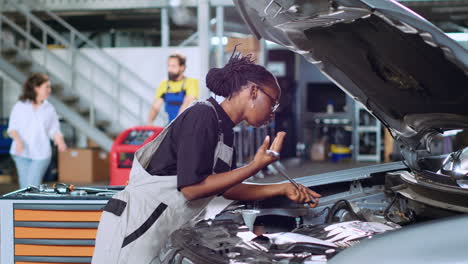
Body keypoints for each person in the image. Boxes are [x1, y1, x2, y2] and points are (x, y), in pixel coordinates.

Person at [92, 52, 321, 264]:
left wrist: (280, 189)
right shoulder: (202, 115)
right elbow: (191, 189)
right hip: (135, 226)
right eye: (273, 102)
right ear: (253, 92)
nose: (273, 111)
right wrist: (255, 166)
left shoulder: (226, 130)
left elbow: (227, 187)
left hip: (160, 227)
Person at [7, 73, 67, 189]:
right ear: (36, 88)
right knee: (24, 187)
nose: (49, 90)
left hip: (41, 154)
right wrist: (18, 141)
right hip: (21, 153)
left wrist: (60, 141)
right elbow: (12, 128)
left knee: (32, 185)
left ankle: (32, 205)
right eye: (47, 87)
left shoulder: (49, 109)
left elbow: (54, 129)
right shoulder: (20, 106)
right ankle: (26, 207)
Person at [147, 53, 199, 125]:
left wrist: (176, 125)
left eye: (173, 66)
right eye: (168, 66)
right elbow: (155, 107)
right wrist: (149, 123)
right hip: (171, 125)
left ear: (182, 67)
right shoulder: (164, 85)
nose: (169, 69)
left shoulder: (191, 82)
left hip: (189, 125)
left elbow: (187, 103)